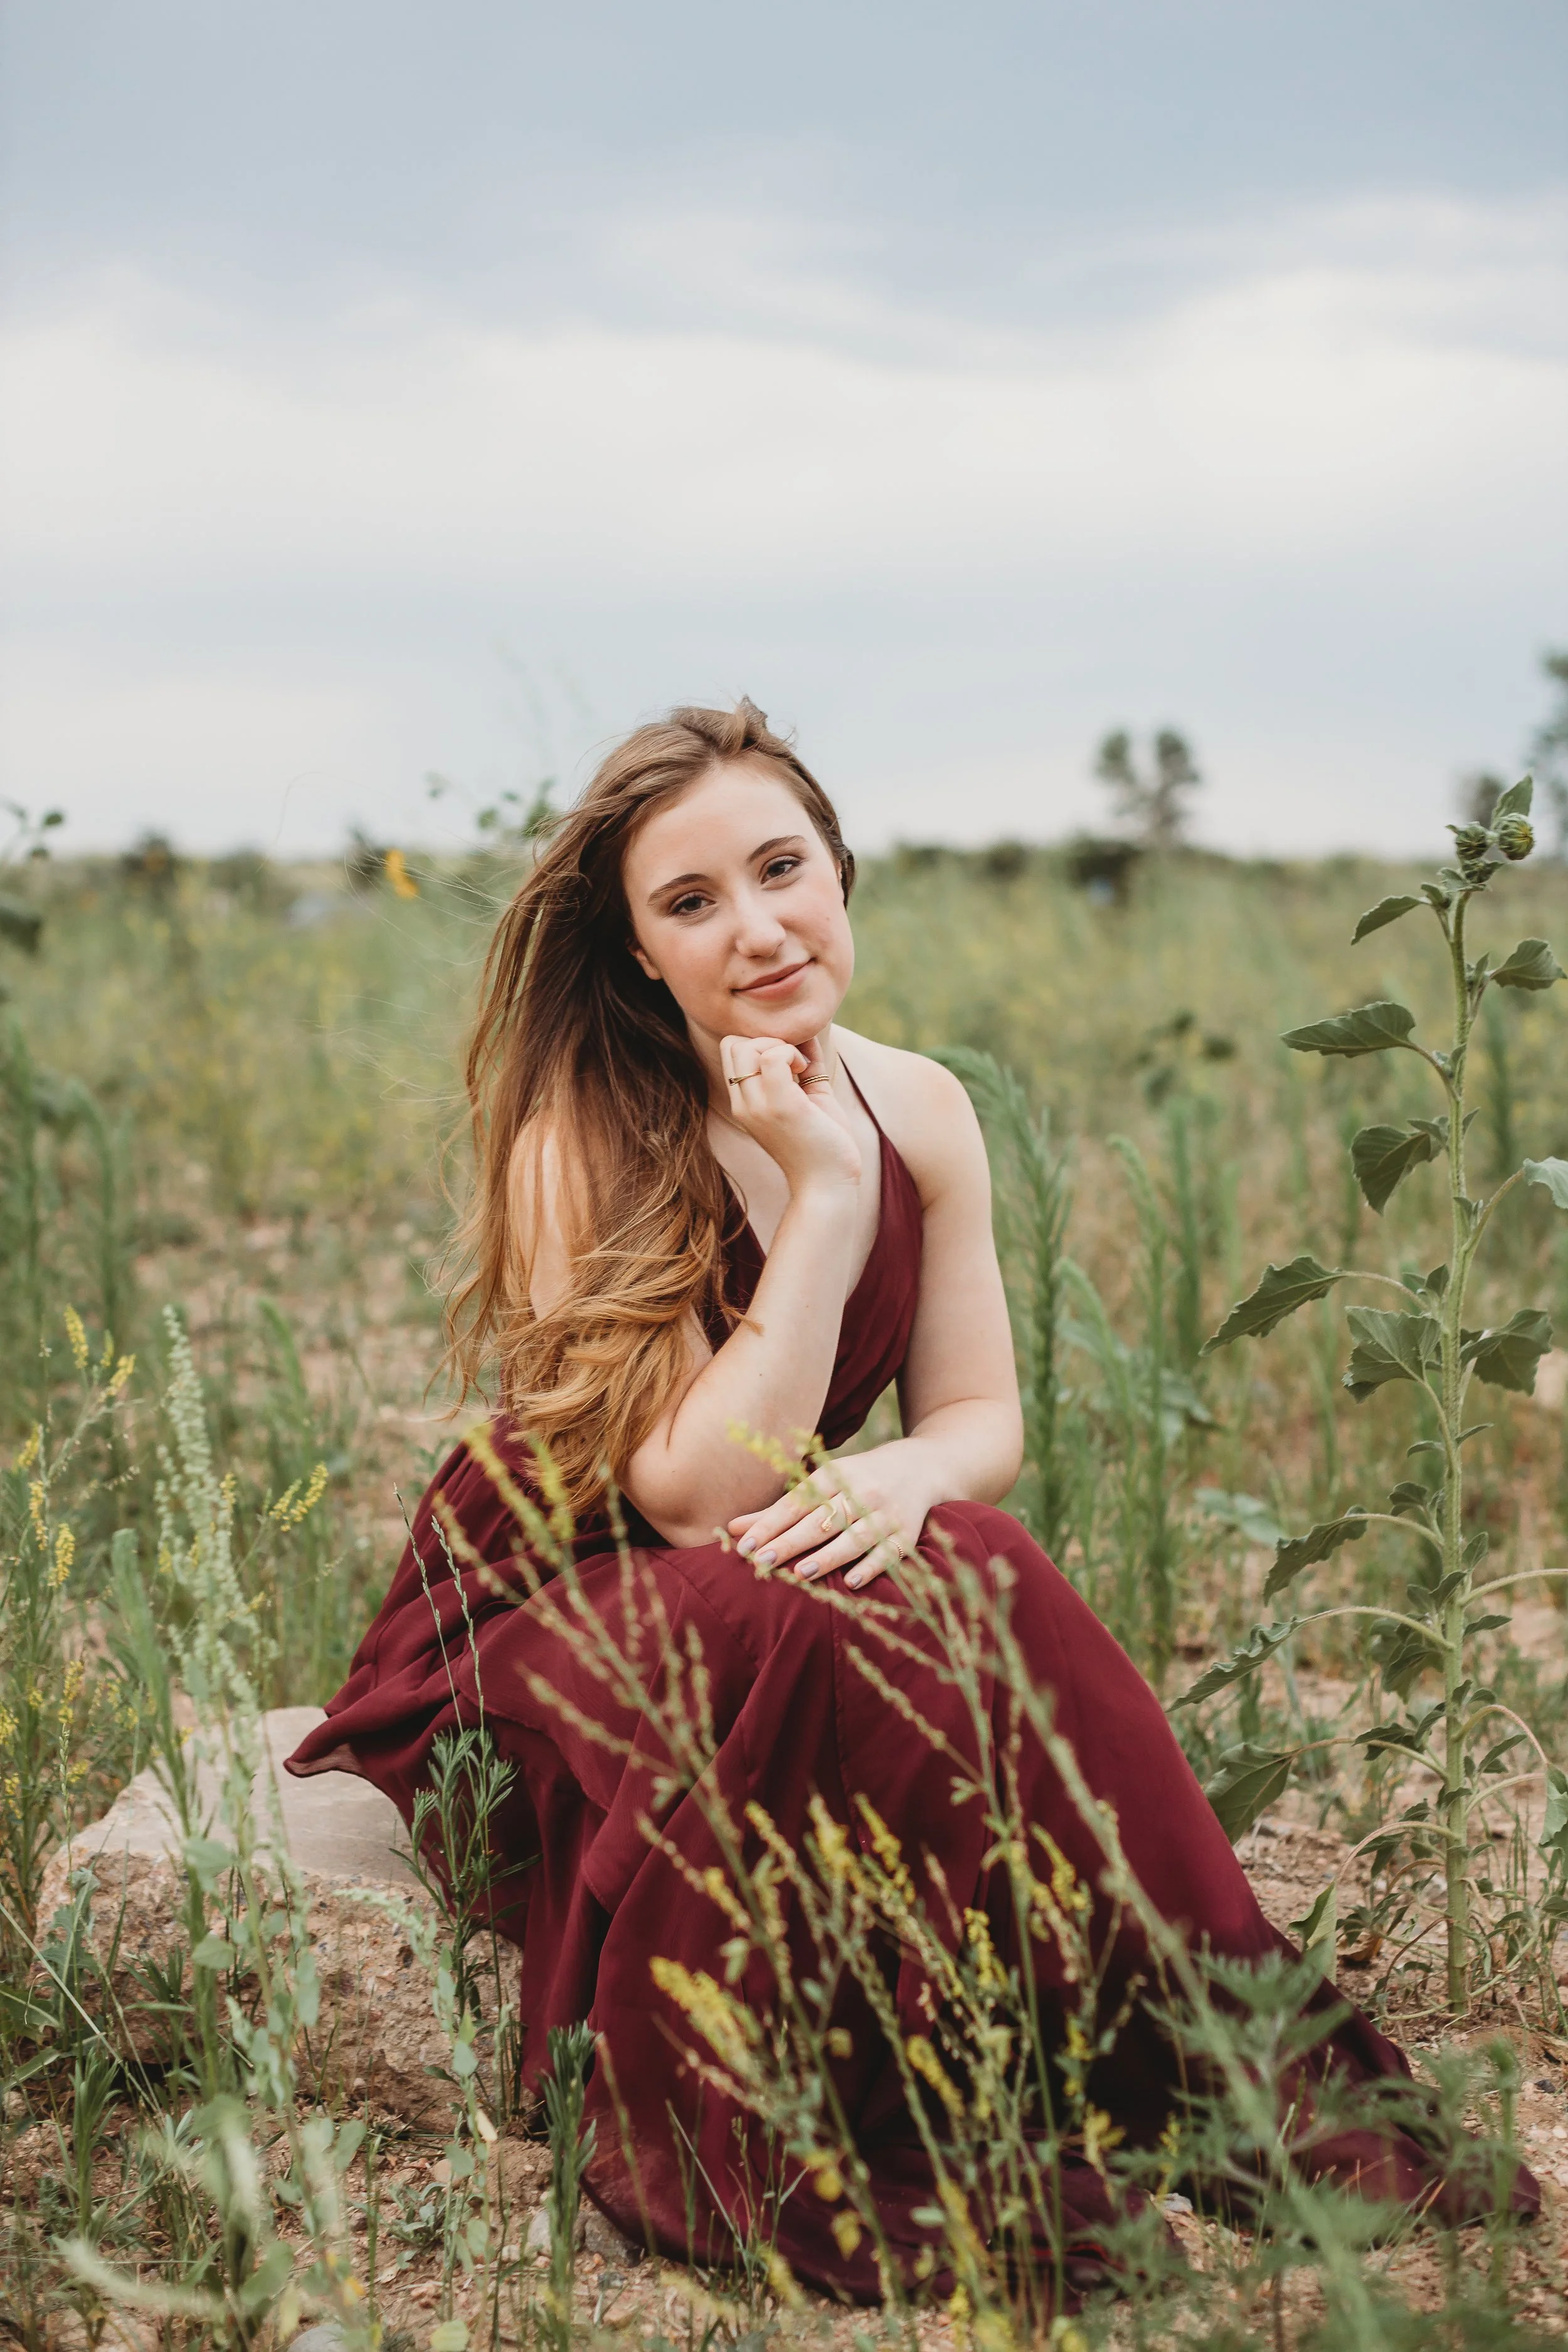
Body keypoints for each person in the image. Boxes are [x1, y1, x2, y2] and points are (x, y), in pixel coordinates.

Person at [287, 701, 1536, 2300]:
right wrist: (821, 1198)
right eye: (690, 904)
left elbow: (978, 1420)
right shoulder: (582, 1134)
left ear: (839, 868)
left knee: (978, 1558)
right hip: (549, 1610)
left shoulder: (922, 1103)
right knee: (784, 1602)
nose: (756, 927)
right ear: (639, 957)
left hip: (776, 1555)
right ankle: (835, 2119)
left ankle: (1234, 2073)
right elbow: (683, 1499)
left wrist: (904, 1475)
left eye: (779, 867)